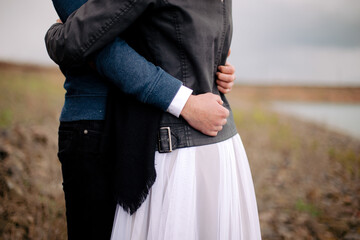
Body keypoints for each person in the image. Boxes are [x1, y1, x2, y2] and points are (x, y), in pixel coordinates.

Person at [45, 0, 262, 239]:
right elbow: (87, 41)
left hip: (149, 120)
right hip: (97, 121)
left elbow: (78, 39)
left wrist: (208, 67)